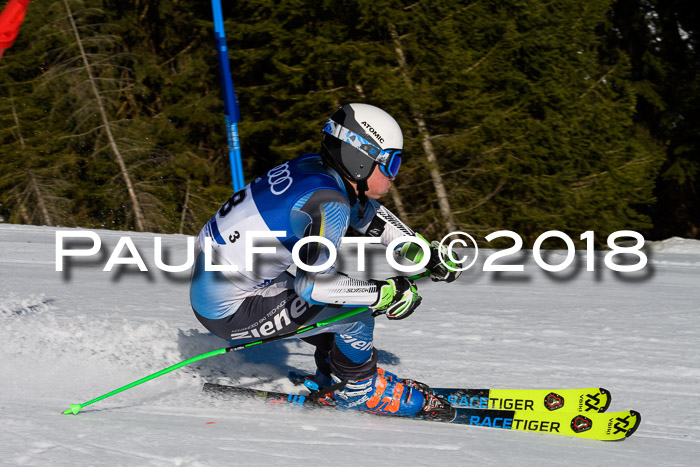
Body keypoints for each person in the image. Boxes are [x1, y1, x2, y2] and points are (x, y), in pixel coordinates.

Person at [190, 103, 461, 419]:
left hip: (228, 284)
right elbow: (312, 286)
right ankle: (359, 389)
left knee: (339, 298)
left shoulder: (317, 170)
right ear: (359, 160)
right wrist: (385, 294)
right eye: (391, 163)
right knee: (356, 311)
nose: (394, 175)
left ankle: (333, 373)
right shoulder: (329, 204)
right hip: (231, 309)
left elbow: (367, 216)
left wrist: (422, 254)